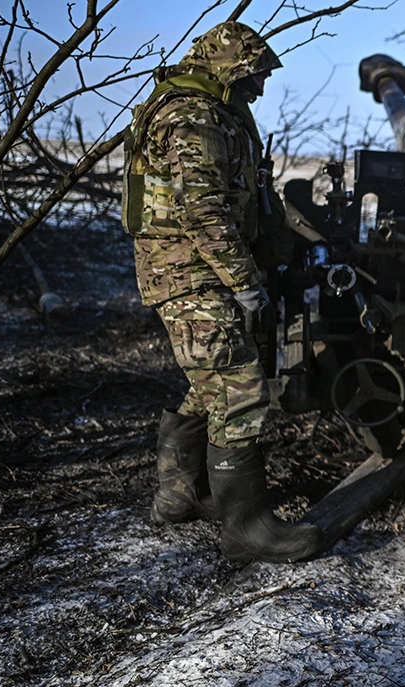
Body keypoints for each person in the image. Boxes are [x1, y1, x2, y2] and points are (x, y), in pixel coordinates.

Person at [122, 21, 320, 563]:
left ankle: (181, 494)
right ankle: (246, 528)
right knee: (239, 391)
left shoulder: (215, 112)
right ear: (231, 68)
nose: (260, 88)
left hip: (195, 271)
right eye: (255, 75)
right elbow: (204, 213)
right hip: (191, 273)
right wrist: (247, 283)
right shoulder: (195, 117)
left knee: (210, 384)